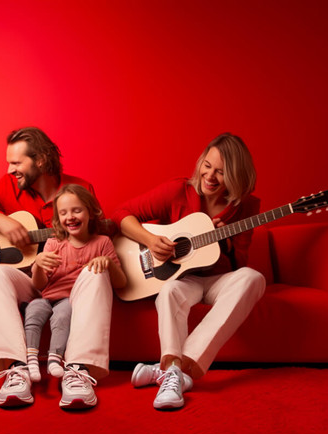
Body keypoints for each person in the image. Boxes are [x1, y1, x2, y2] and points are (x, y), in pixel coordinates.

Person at [0, 126, 116, 410]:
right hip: (31, 282)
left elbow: (96, 233)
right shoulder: (7, 186)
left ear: (39, 160)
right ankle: (16, 369)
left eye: (16, 163)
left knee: (98, 273)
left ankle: (79, 371)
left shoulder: (80, 189)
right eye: (9, 163)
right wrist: (1, 221)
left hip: (71, 285)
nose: (10, 169)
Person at [112, 133, 267, 410]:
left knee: (253, 278)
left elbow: (239, 263)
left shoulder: (247, 207)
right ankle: (173, 371)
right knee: (169, 290)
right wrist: (150, 240)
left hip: (219, 279)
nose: (210, 176)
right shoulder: (177, 190)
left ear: (236, 175)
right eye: (207, 166)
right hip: (183, 279)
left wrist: (228, 243)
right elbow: (121, 214)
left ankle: (174, 370)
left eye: (221, 172)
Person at [23, 185, 126, 384]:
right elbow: (40, 285)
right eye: (63, 213)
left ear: (91, 212)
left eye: (76, 210)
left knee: (63, 315)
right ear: (58, 219)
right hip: (48, 297)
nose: (70, 216)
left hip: (72, 301)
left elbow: (121, 282)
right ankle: (31, 360)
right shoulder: (54, 244)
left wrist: (109, 264)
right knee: (33, 311)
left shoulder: (102, 242)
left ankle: (55, 358)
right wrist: (37, 265)